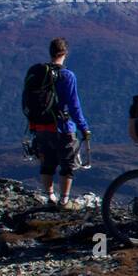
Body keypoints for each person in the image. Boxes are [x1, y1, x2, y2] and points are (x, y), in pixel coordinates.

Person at [26, 38, 91, 210]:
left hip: (40, 125)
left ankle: (49, 197)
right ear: (65, 53)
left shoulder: (38, 72)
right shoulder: (67, 76)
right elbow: (74, 105)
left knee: (47, 163)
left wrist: (33, 124)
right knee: (67, 164)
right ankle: (64, 200)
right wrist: (83, 127)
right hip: (62, 126)